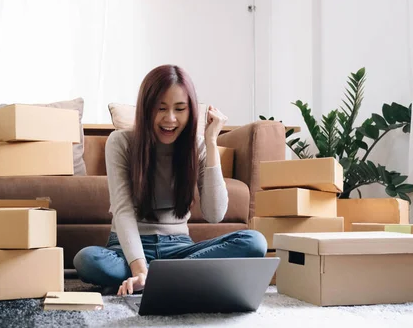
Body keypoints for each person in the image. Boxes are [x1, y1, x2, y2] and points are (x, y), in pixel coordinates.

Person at [73, 64, 267, 296]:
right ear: (146, 109)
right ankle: (173, 278)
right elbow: (123, 211)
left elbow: (214, 214)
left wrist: (212, 142)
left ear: (191, 111)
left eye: (180, 109)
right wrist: (139, 269)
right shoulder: (120, 142)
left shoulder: (197, 146)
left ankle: (160, 278)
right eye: (161, 108)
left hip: (178, 249)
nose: (170, 119)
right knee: (87, 260)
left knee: (254, 242)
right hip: (127, 252)